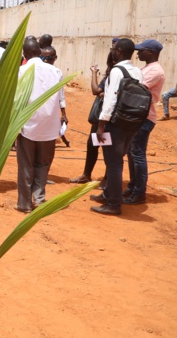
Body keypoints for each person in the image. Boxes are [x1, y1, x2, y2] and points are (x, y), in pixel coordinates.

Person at [89, 38, 143, 215]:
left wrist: (101, 125)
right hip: (131, 123)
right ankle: (108, 194)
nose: (112, 51)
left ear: (118, 51)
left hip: (115, 123)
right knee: (116, 160)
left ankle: (113, 204)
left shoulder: (117, 71)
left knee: (113, 164)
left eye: (113, 48)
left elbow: (110, 100)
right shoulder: (136, 71)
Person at [14, 38, 62, 213]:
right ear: (39, 52)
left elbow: (16, 99)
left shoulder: (21, 71)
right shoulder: (56, 71)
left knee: (26, 164)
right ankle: (39, 199)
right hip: (49, 125)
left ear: (24, 54)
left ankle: (24, 204)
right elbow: (60, 97)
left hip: (28, 125)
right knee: (43, 164)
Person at [124, 39, 165, 205]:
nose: (138, 53)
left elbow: (135, 88)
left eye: (141, 50)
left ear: (152, 52)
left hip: (145, 117)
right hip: (138, 116)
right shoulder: (147, 68)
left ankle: (139, 192)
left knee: (137, 154)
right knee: (132, 153)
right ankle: (133, 186)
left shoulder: (155, 71)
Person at [70, 51, 115, 185]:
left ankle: (107, 179)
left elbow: (95, 90)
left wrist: (94, 73)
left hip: (108, 117)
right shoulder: (111, 75)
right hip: (102, 116)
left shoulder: (114, 75)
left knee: (106, 148)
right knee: (92, 145)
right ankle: (87, 175)